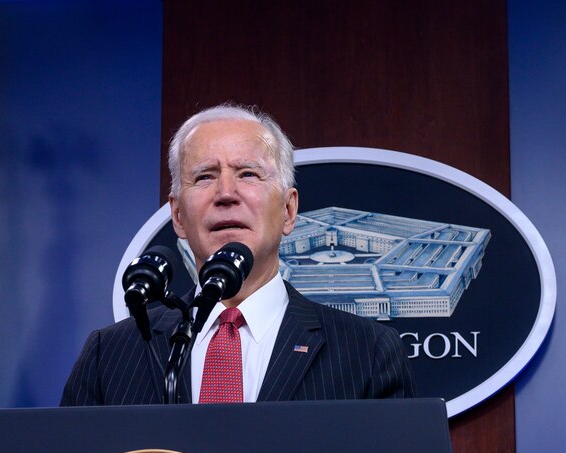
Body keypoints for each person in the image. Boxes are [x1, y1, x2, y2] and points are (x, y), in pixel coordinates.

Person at [60, 103, 415, 406]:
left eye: (248, 174)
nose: (226, 193)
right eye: (204, 177)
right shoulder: (109, 356)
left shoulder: (367, 353)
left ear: (288, 212)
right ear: (178, 216)